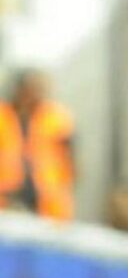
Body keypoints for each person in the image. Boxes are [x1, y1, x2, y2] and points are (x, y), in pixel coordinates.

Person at [0, 69, 76, 220]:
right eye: (32, 88)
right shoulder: (3, 116)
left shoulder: (57, 118)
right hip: (7, 199)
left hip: (48, 203)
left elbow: (70, 158)